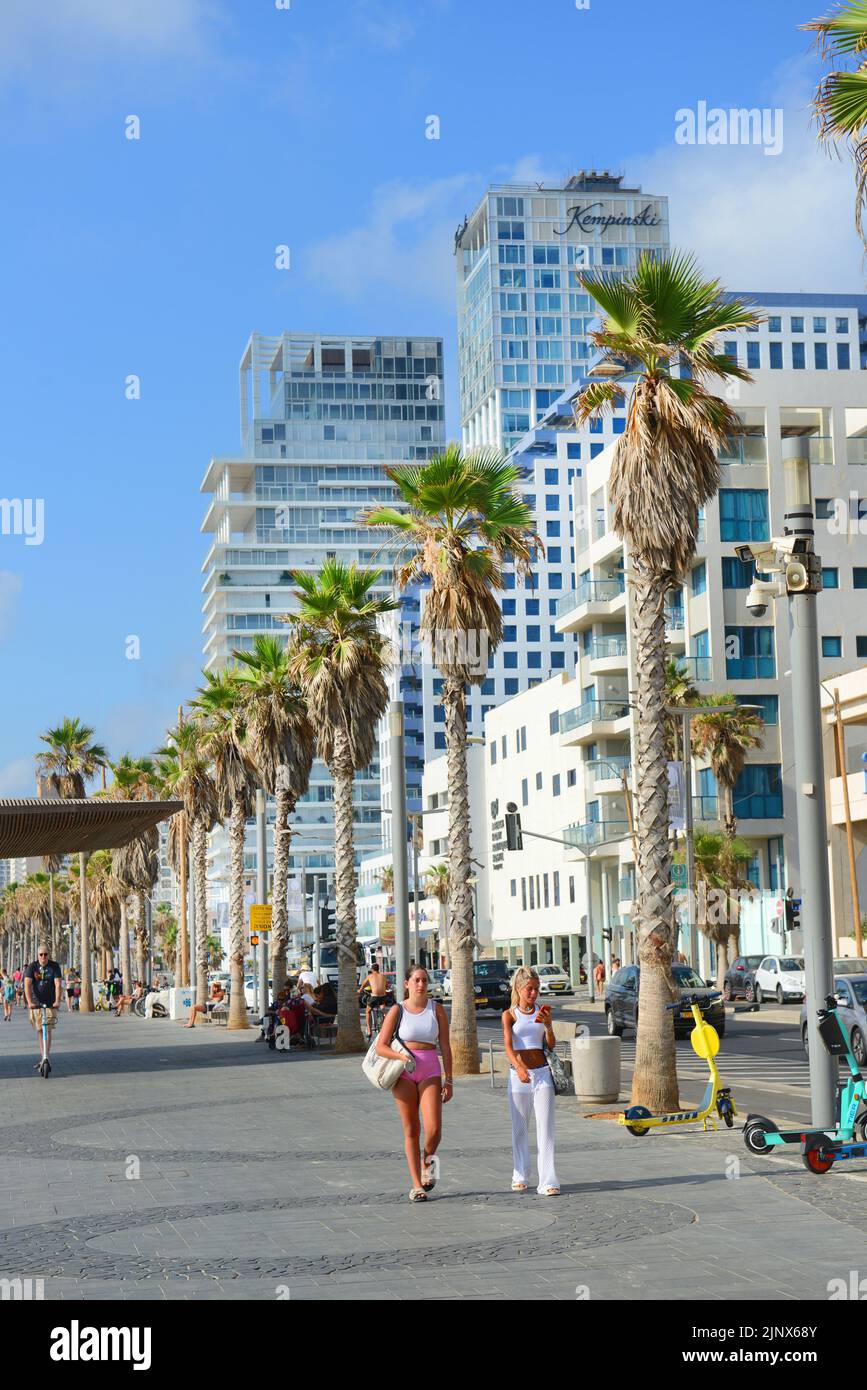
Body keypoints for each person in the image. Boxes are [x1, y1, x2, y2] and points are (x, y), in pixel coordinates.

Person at [375, 966, 453, 1203]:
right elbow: (381, 1045)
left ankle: (427, 1163)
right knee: (411, 1128)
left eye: (424, 980)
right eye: (416, 980)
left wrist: (449, 1079)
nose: (421, 984)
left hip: (430, 1069)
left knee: (434, 1129)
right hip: (404, 1072)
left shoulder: (436, 1009)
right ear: (407, 983)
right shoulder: (398, 1010)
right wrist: (400, 1058)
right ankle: (417, 1184)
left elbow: (446, 1047)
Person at [502, 965, 559, 1196]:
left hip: (543, 1073)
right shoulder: (510, 1014)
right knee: (520, 1128)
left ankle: (548, 1181)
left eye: (536, 989)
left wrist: (548, 1025)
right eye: (529, 989)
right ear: (518, 988)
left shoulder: (542, 1012)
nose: (534, 993)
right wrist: (519, 1067)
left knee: (546, 1129)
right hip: (519, 1076)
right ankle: (520, 1173)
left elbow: (551, 1045)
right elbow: (508, 1045)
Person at [23, 945, 63, 1071]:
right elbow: (27, 985)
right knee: (40, 1029)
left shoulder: (54, 966)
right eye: (41, 954)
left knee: (48, 1029)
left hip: (50, 1003)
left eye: (46, 954)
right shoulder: (32, 967)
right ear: (38, 955)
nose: (43, 957)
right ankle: (43, 1056)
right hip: (36, 1004)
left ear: (48, 955)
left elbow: (57, 984)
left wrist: (57, 1001)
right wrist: (29, 1002)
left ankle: (46, 1056)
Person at [358, 962, 394, 1036]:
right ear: (378, 969)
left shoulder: (370, 976)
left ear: (372, 969)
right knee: (383, 1008)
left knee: (367, 1011)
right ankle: (389, 1028)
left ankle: (369, 1030)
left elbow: (362, 986)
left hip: (374, 997)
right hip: (383, 997)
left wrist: (360, 990)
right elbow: (387, 986)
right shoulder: (383, 976)